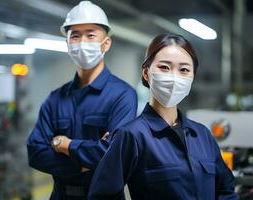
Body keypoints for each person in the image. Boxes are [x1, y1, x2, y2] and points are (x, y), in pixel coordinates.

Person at [88, 33, 239, 200]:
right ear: (146, 73)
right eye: (164, 67)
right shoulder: (132, 136)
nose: (174, 77)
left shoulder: (202, 135)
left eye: (184, 70)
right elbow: (102, 195)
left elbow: (226, 189)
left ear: (192, 77)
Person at [27, 1, 137, 199]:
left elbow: (114, 156)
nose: (82, 42)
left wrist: (64, 145)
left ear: (107, 43)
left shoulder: (123, 95)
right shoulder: (55, 99)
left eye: (91, 34)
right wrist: (83, 164)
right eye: (75, 36)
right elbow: (35, 153)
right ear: (67, 43)